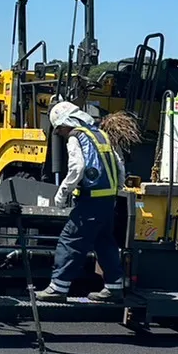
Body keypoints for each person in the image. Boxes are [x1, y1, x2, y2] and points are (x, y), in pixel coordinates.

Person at [37, 101, 125, 304]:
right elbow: (119, 166)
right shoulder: (102, 135)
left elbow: (77, 168)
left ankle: (58, 288)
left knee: (70, 240)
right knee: (105, 242)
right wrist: (117, 189)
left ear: (67, 123)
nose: (59, 134)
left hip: (90, 201)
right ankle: (114, 287)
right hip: (108, 201)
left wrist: (61, 194)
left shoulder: (76, 137)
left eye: (59, 129)